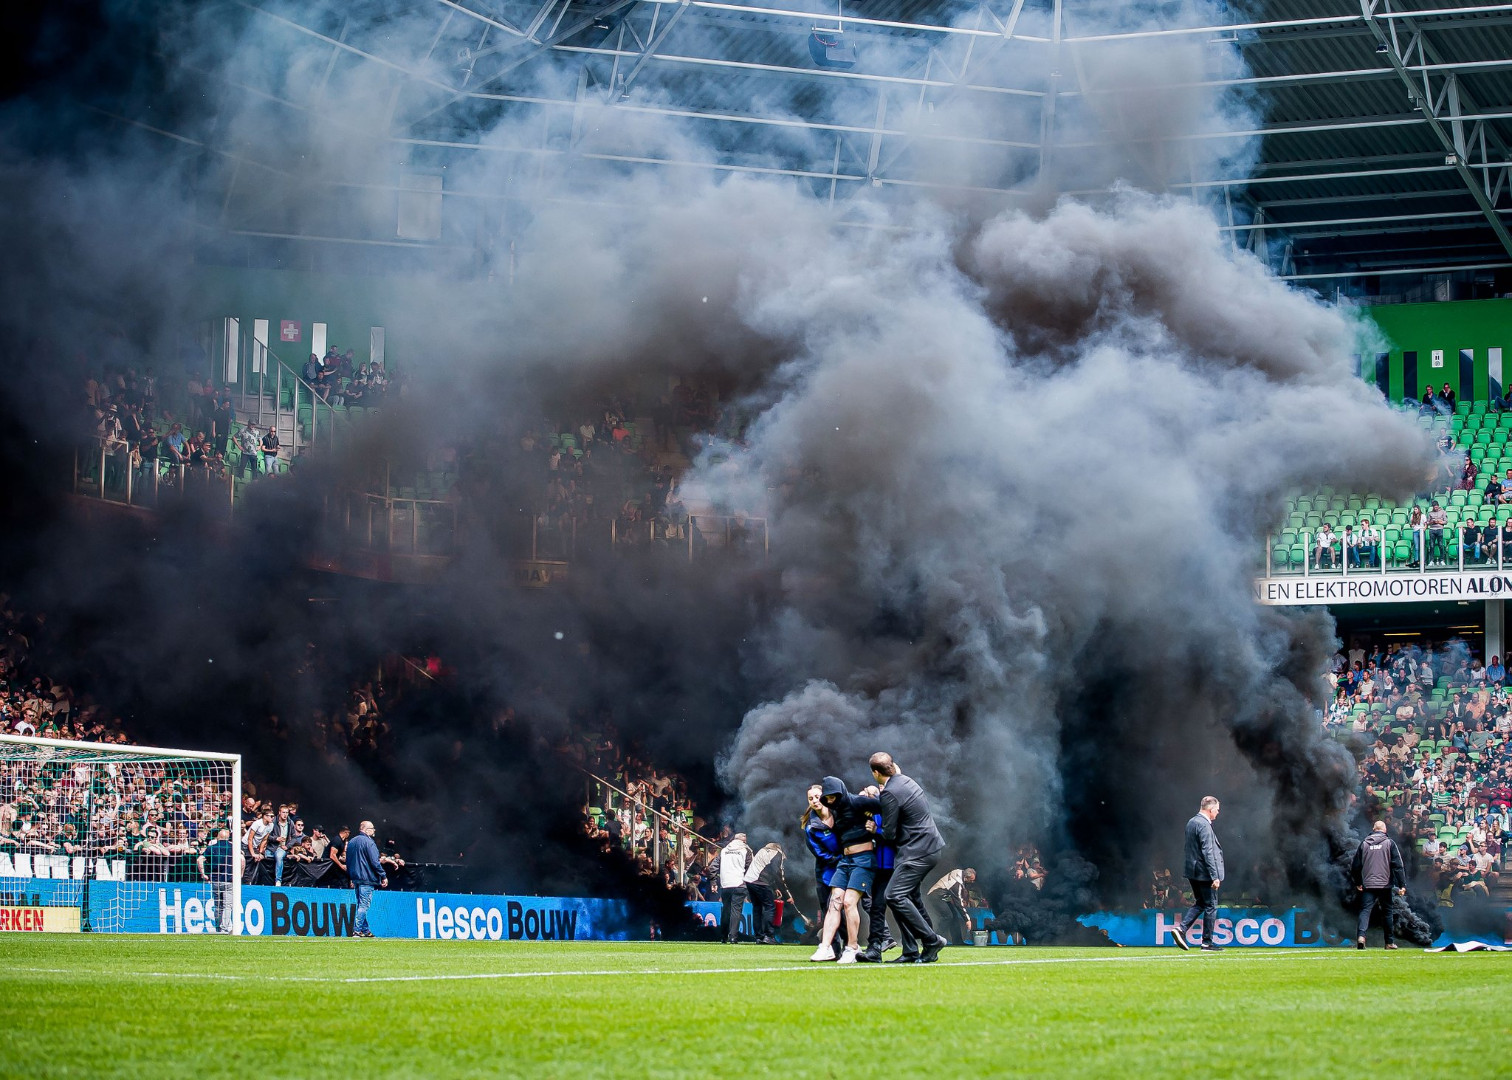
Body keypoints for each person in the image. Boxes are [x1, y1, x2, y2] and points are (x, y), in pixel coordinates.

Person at [870, 751, 948, 964]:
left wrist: (874, 827)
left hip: (917, 852)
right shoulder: (907, 781)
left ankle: (931, 940)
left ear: (875, 773)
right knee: (907, 897)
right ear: (893, 766)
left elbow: (889, 833)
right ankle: (911, 951)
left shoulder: (889, 793)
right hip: (929, 848)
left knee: (894, 896)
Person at [808, 776, 881, 964]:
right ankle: (825, 947)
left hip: (863, 858)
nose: (830, 801)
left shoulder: (858, 801)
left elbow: (887, 806)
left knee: (849, 902)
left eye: (833, 796)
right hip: (845, 860)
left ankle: (852, 947)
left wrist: (877, 828)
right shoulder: (834, 811)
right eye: (828, 798)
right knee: (835, 901)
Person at [1174, 796, 1225, 952]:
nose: (1218, 813)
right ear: (1210, 810)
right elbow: (1208, 852)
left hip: (1193, 871)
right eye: (1217, 810)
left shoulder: (1192, 822)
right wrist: (1214, 876)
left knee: (1201, 903)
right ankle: (1207, 942)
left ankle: (1181, 929)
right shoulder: (1204, 825)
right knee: (1211, 905)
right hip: (1204, 873)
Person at [856, 784, 899, 963]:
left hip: (893, 865)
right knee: (875, 906)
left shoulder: (888, 811)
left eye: (867, 795)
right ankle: (875, 946)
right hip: (876, 866)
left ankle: (923, 941)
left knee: (899, 903)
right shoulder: (869, 815)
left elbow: (894, 835)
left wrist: (876, 831)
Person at [1351, 821, 1406, 950]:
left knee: (1365, 911)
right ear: (1385, 830)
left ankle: (1361, 937)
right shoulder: (1389, 843)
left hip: (1368, 884)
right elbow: (1397, 865)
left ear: (1373, 829)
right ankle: (1389, 942)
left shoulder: (1364, 843)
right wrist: (1402, 884)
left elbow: (1355, 866)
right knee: (1387, 913)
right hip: (1385, 885)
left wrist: (1358, 882)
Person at [801, 785, 842, 941]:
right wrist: (840, 858)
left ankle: (851, 945)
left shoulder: (839, 815)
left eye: (817, 797)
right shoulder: (811, 827)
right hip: (826, 872)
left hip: (846, 868)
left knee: (846, 907)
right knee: (828, 909)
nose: (815, 801)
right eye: (811, 798)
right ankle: (834, 945)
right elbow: (819, 853)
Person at [346, 819, 387, 939]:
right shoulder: (369, 842)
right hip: (367, 878)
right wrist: (383, 875)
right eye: (372, 828)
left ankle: (365, 930)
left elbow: (349, 861)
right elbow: (375, 862)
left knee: (360, 904)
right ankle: (357, 931)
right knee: (364, 905)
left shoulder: (352, 841)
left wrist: (351, 877)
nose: (374, 831)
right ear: (366, 829)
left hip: (356, 878)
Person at [743, 842, 787, 945]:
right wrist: (786, 893)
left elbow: (764, 868)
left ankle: (759, 937)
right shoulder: (777, 853)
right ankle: (769, 936)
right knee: (769, 907)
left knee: (757, 908)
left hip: (749, 880)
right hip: (761, 882)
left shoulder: (762, 850)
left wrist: (774, 887)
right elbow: (776, 873)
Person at [196, 827, 235, 933]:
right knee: (227, 905)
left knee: (218, 905)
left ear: (218, 836)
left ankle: (218, 928)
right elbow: (242, 860)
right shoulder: (233, 847)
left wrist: (203, 874)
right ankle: (224, 928)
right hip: (229, 880)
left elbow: (199, 860)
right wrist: (239, 875)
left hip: (216, 880)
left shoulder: (211, 848)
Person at [928, 867, 977, 945]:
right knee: (948, 916)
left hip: (944, 897)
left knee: (954, 916)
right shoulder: (956, 883)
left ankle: (957, 941)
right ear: (966, 877)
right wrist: (967, 920)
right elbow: (959, 903)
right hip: (936, 896)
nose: (972, 882)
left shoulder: (960, 872)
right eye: (971, 880)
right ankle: (934, 940)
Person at [718, 832, 751, 943]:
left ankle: (723, 937)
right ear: (743, 841)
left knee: (726, 910)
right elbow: (749, 868)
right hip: (739, 883)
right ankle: (733, 937)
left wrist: (713, 880)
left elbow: (714, 865)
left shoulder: (724, 850)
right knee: (736, 911)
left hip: (725, 884)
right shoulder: (746, 850)